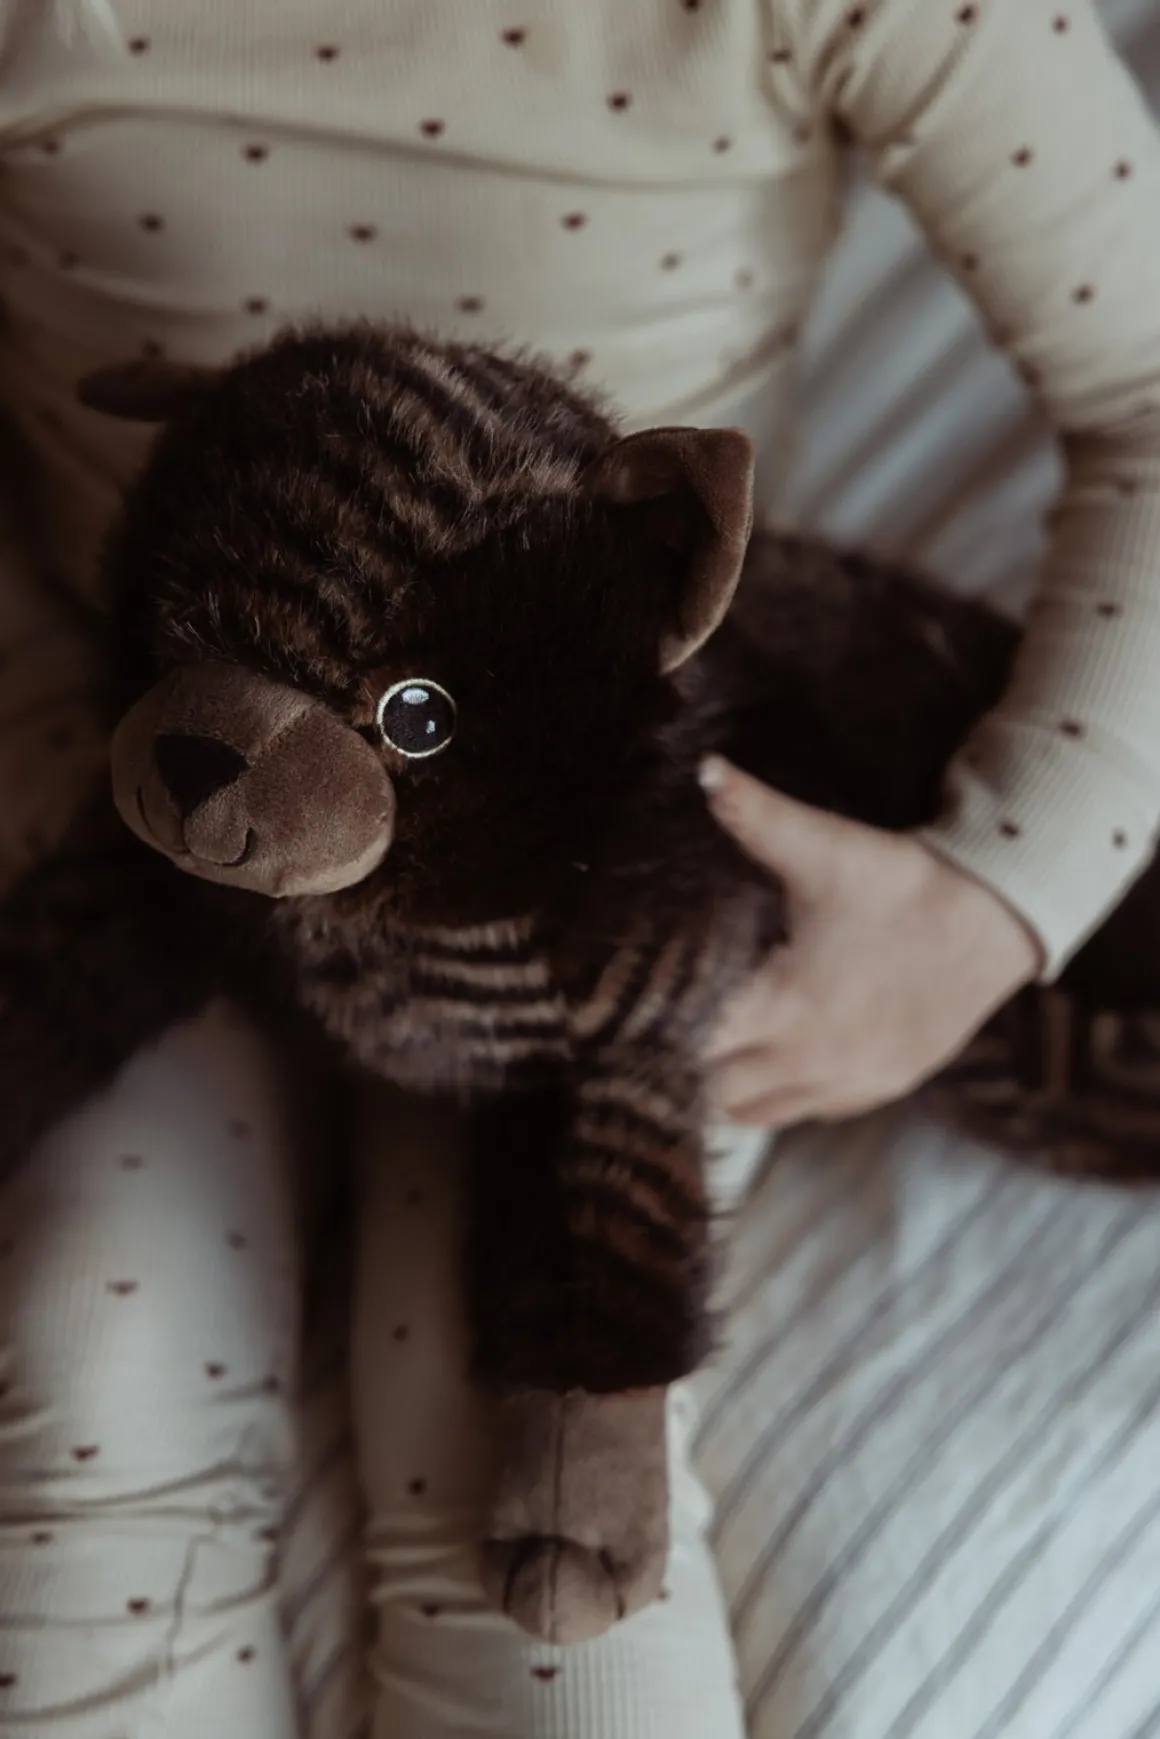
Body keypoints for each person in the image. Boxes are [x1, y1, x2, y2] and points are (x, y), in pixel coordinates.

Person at [2, 1, 1160, 1734]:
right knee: (95, 1364)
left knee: (534, 1495)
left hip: (592, 838)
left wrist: (997, 895)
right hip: (135, 748)